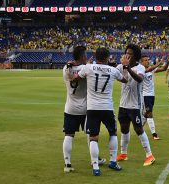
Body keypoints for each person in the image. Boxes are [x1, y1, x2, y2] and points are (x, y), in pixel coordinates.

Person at [70, 48, 128, 176]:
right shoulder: (113, 70)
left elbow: (75, 78)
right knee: (112, 133)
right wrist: (123, 66)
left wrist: (75, 69)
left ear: (95, 56)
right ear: (108, 57)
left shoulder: (88, 68)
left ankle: (95, 167)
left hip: (92, 108)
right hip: (107, 107)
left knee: (93, 138)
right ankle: (113, 161)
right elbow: (125, 80)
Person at [62, 46, 106, 173]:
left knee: (69, 135)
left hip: (70, 107)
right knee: (91, 135)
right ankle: (94, 161)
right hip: (87, 108)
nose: (86, 56)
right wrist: (88, 65)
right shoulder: (87, 68)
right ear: (82, 56)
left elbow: (73, 75)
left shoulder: (66, 68)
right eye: (85, 54)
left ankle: (67, 164)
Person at [116, 44, 155, 166]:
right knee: (124, 129)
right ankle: (123, 153)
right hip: (123, 104)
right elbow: (112, 73)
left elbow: (139, 79)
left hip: (134, 105)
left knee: (138, 129)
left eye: (131, 54)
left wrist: (127, 68)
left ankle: (150, 155)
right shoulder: (120, 67)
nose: (127, 55)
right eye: (126, 53)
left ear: (136, 56)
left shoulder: (140, 68)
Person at [140, 55, 169, 140]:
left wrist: (167, 62)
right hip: (145, 95)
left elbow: (163, 69)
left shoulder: (151, 69)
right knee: (149, 113)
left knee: (146, 114)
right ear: (141, 62)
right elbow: (150, 69)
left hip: (152, 94)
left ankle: (138, 127)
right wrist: (160, 62)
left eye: (148, 59)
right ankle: (154, 134)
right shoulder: (142, 70)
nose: (148, 61)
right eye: (145, 60)